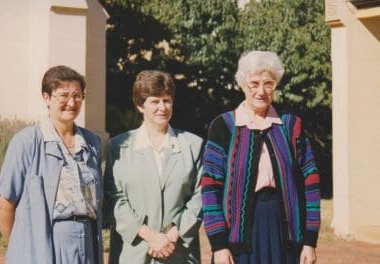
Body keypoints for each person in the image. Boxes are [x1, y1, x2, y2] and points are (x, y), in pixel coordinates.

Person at [201, 51, 321, 264]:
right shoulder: (224, 127)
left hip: (286, 233)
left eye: (268, 83)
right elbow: (210, 187)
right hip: (238, 235)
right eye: (254, 83)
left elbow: (310, 183)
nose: (261, 91)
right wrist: (219, 245)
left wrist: (310, 241)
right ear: (242, 84)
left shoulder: (291, 126)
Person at [0, 65, 103, 264]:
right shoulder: (26, 142)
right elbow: (3, 204)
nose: (71, 102)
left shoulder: (92, 143)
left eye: (77, 95)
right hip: (46, 243)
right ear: (46, 98)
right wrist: (22, 245)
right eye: (63, 95)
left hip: (87, 243)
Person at [105, 70, 204, 263]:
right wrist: (151, 237)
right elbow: (114, 199)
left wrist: (171, 237)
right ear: (140, 105)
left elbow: (200, 197)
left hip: (179, 253)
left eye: (166, 100)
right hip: (132, 253)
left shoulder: (194, 145)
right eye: (154, 101)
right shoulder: (119, 147)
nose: (162, 107)